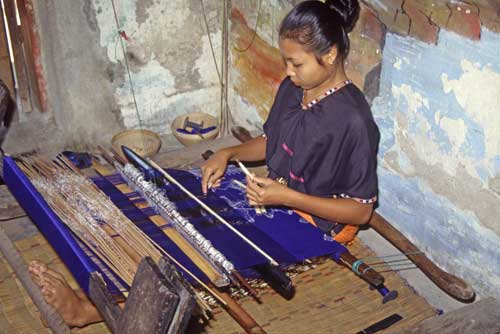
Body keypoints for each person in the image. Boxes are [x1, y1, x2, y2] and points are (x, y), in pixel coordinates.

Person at [202, 0, 379, 243]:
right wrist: (228, 153)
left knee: (238, 248)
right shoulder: (293, 88)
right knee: (208, 221)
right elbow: (271, 141)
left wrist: (286, 197)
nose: (288, 71)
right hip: (280, 196)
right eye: (286, 61)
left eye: (296, 64)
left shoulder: (353, 120)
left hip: (321, 222)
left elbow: (361, 211)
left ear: (330, 54)